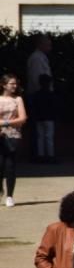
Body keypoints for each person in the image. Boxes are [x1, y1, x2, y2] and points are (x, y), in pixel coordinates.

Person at [0, 75, 27, 208]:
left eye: (15, 84)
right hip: (0, 136)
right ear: (4, 85)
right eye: (11, 84)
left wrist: (5, 122)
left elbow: (22, 118)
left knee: (10, 166)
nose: (14, 86)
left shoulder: (17, 99)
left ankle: (10, 195)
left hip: (13, 135)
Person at [27, 73, 58, 163]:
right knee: (49, 138)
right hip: (49, 118)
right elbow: (55, 107)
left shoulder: (37, 95)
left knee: (40, 137)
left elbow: (33, 107)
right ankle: (50, 156)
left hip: (39, 118)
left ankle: (41, 156)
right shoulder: (51, 94)